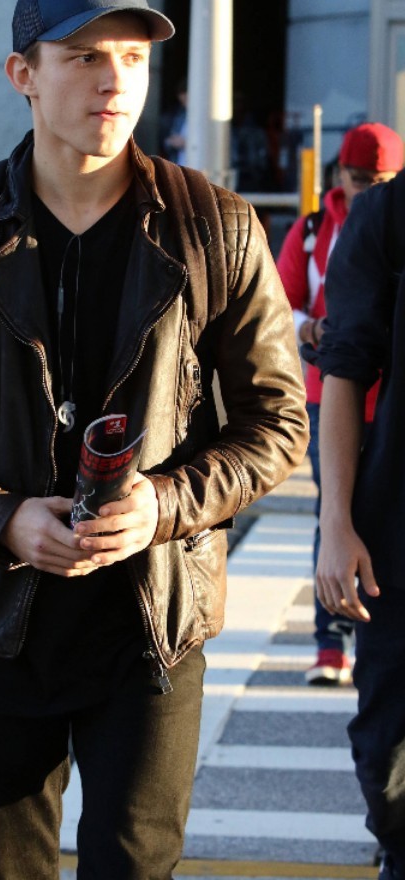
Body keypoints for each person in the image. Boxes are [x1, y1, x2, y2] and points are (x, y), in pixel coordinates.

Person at [0, 0, 308, 879]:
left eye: (132, 59)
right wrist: (1, 519)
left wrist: (165, 504)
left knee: (134, 866)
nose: (114, 80)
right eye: (84, 57)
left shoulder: (215, 227)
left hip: (151, 621)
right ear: (22, 74)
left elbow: (277, 424)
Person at [276, 122, 403, 686]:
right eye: (357, 178)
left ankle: (364, 628)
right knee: (336, 514)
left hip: (390, 401)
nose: (366, 188)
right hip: (332, 395)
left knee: (377, 520)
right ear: (339, 175)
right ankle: (330, 641)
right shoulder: (312, 230)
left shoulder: (387, 216)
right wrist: (312, 329)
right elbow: (280, 304)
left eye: (380, 179)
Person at [313, 169, 404, 880]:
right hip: (396, 536)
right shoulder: (386, 219)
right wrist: (335, 522)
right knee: (386, 761)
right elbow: (343, 371)